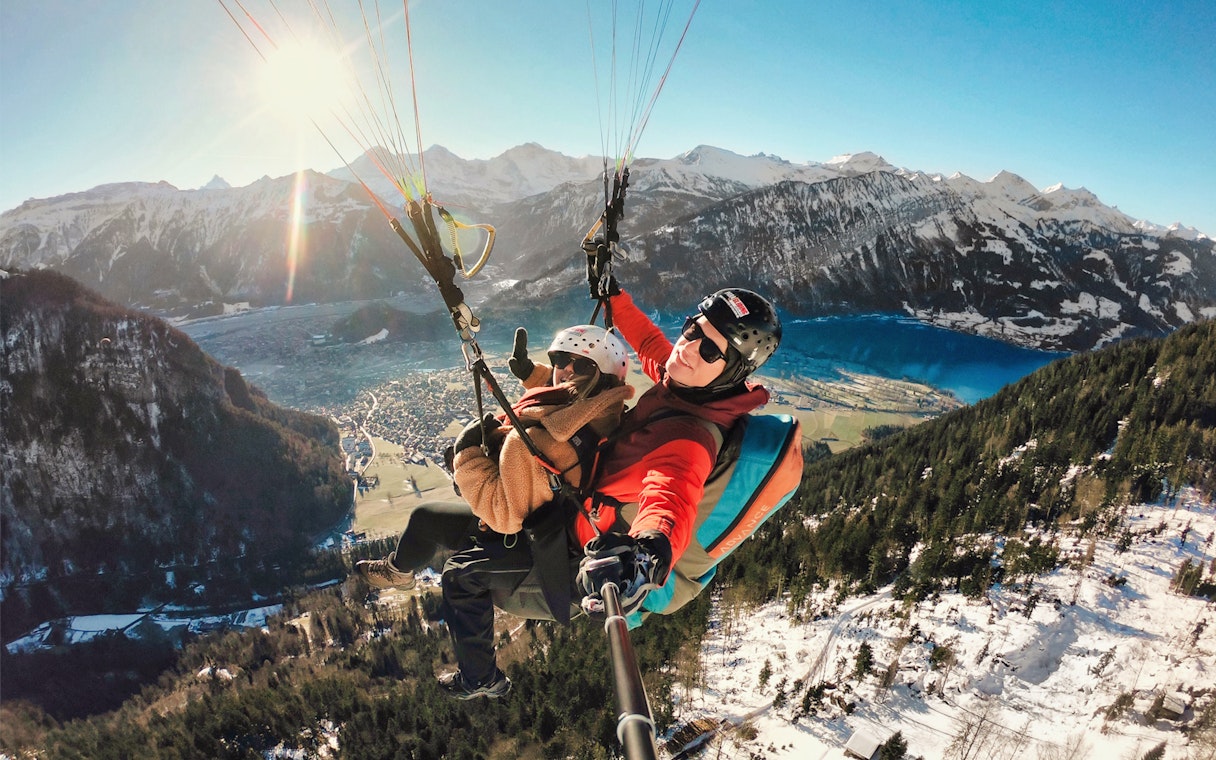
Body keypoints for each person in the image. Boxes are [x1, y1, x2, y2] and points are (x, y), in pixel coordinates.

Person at [432, 283, 782, 699]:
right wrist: (613, 295)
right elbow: (650, 342)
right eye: (692, 329)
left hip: (574, 562)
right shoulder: (685, 384)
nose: (688, 347)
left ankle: (480, 679)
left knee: (461, 577)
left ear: (733, 371)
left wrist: (649, 553)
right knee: (441, 529)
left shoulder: (691, 436)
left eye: (709, 349)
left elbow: (671, 496)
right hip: (567, 510)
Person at [354, 324, 634, 697]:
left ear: (601, 374)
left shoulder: (537, 444)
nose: (563, 370)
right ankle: (397, 572)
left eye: (578, 364)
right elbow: (566, 400)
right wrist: (532, 374)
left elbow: (504, 516)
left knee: (459, 575)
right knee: (425, 519)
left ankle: (481, 678)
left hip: (547, 549)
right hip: (546, 515)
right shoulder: (602, 408)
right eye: (558, 360)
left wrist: (467, 456)